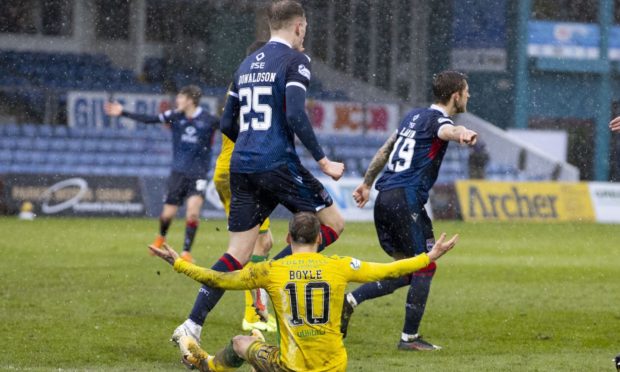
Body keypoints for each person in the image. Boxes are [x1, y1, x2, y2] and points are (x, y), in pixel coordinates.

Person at [171, 0, 345, 348]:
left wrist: (250, 144)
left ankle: (192, 324)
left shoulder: (247, 63)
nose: (304, 35)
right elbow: (295, 113)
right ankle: (275, 274)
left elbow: (225, 123)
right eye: (305, 29)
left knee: (237, 252)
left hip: (243, 165)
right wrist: (324, 161)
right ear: (298, 26)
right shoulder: (297, 60)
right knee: (333, 225)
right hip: (278, 161)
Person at [150, 212, 460, 371]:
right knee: (260, 341)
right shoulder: (340, 266)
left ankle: (208, 366)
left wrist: (179, 263)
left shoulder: (271, 271)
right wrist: (428, 257)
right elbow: (388, 269)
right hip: (334, 367)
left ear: (288, 237)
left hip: (291, 367)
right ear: (318, 239)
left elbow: (218, 279)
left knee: (242, 342)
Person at [341, 70, 478, 351]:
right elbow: (448, 131)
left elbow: (385, 149)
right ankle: (409, 339)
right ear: (456, 96)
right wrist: (462, 132)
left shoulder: (412, 117)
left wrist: (367, 184)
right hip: (406, 200)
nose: (469, 95)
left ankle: (349, 302)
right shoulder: (440, 121)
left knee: (406, 271)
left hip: (385, 196)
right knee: (426, 266)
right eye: (466, 91)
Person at [104, 85, 219, 263]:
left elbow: (230, 128)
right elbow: (149, 119)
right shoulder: (175, 116)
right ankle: (161, 238)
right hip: (178, 174)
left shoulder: (209, 120)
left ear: (190, 100)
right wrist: (123, 113)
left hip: (198, 175)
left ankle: (186, 252)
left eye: (180, 98)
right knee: (167, 215)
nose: (177, 101)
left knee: (193, 213)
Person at [213, 40, 276, 333]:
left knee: (260, 243)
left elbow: (226, 123)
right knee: (255, 245)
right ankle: (254, 312)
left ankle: (254, 307)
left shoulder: (240, 83)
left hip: (231, 169)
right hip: (242, 170)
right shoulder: (255, 85)